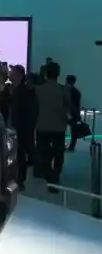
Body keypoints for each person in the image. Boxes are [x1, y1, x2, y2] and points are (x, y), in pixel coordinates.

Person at [34, 62, 70, 192]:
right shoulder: (63, 89)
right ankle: (55, 176)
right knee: (58, 153)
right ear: (58, 73)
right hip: (59, 126)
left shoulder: (38, 89)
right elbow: (69, 107)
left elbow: (35, 107)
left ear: (46, 73)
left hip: (42, 125)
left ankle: (49, 176)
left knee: (44, 153)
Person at [8, 65, 37, 190]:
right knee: (18, 154)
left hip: (20, 128)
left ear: (18, 74)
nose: (10, 74)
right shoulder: (17, 90)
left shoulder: (22, 91)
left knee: (19, 155)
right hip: (18, 128)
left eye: (12, 72)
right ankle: (18, 179)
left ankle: (20, 179)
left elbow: (26, 112)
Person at [66, 75, 82, 151]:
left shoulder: (62, 90)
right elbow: (77, 104)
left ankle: (61, 145)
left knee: (61, 130)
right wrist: (78, 115)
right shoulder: (76, 92)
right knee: (74, 131)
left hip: (63, 112)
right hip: (74, 113)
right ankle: (72, 146)